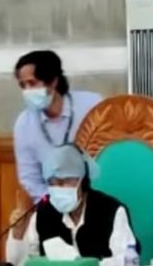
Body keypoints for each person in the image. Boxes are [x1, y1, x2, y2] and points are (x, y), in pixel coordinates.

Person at [6, 144, 138, 266]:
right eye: (52, 183)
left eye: (64, 182)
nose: (58, 189)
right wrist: (18, 235)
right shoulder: (44, 211)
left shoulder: (111, 211)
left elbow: (126, 261)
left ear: (82, 181)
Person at [13, 50, 103, 203]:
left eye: (32, 83)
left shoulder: (92, 105)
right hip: (53, 202)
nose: (27, 91)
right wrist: (54, 204)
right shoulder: (24, 124)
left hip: (96, 198)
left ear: (53, 81)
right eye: (23, 85)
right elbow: (30, 179)